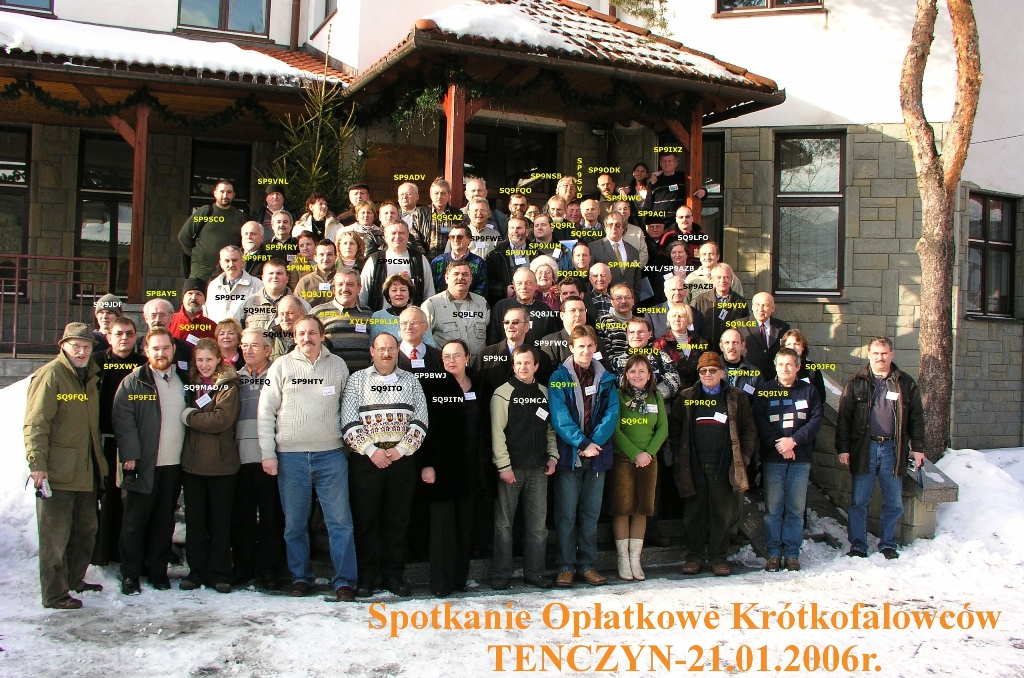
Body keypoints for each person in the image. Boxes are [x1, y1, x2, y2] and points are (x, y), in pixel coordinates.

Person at [259, 315, 357, 601]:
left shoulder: (337, 366)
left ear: (322, 335)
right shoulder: (281, 366)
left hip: (331, 456)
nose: (306, 338)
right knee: (295, 524)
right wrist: (268, 454)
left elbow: (348, 407)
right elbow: (265, 411)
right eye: (301, 333)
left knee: (340, 522)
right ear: (294, 337)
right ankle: (300, 577)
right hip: (291, 458)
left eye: (312, 333)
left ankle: (345, 581)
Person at [24, 322, 106, 609]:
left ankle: (74, 579)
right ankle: (54, 594)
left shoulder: (91, 375)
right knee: (55, 538)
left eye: (86, 347)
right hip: (57, 471)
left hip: (86, 469)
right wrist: (37, 464)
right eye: (76, 346)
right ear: (63, 346)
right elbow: (36, 424)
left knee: (85, 531)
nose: (82, 352)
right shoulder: (51, 375)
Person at [342, 332, 429, 598]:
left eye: (391, 348)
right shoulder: (357, 380)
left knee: (397, 520)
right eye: (381, 349)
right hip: (366, 461)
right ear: (372, 351)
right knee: (365, 520)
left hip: (401, 461)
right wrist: (372, 451)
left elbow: (421, 420)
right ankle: (367, 577)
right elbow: (348, 421)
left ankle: (394, 575)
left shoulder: (411, 380)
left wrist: (400, 450)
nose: (387, 353)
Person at [396, 308, 473, 596]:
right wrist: (427, 463)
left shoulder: (479, 382)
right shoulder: (432, 385)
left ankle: (460, 579)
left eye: (457, 356)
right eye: (446, 357)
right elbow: (426, 428)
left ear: (467, 358)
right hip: (441, 467)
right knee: (442, 529)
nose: (451, 361)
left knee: (464, 526)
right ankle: (442, 584)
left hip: (470, 467)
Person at [112, 327, 189, 595]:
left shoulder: (183, 380)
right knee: (134, 523)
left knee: (163, 522)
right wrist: (130, 455)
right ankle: (131, 574)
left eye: (166, 348)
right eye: (155, 348)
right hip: (143, 465)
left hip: (173, 465)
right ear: (146, 351)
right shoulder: (135, 382)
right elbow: (123, 420)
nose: (161, 353)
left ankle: (158, 571)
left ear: (173, 350)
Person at [835, 336, 926, 560]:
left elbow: (916, 418)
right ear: (869, 355)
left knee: (893, 502)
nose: (880, 358)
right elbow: (844, 419)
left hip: (893, 449)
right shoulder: (856, 382)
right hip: (864, 448)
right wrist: (843, 448)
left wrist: (918, 447)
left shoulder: (905, 383)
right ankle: (858, 546)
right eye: (875, 353)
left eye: (884, 353)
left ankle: (887, 544)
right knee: (859, 501)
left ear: (891, 354)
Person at [670, 351, 757, 577]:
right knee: (693, 513)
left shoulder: (736, 397)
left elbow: (748, 430)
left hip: (724, 465)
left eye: (712, 370)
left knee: (722, 513)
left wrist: (744, 458)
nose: (708, 374)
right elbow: (675, 430)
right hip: (694, 465)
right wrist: (679, 457)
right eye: (703, 371)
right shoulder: (686, 397)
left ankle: (718, 557)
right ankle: (694, 556)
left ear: (722, 372)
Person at [548, 325, 619, 587]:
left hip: (597, 455)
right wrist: (581, 442)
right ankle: (566, 566)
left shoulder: (606, 378)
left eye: (590, 346)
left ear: (595, 347)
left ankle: (588, 564)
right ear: (571, 348)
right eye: (581, 346)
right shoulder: (559, 377)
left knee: (591, 513)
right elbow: (559, 416)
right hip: (570, 455)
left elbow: (612, 413)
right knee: (566, 514)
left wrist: (594, 443)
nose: (586, 351)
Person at [489, 345, 558, 590]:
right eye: (518, 363)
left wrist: (553, 456)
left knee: (538, 527)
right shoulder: (502, 394)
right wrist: (503, 466)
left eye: (528, 363)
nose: (523, 367)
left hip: (539, 470)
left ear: (536, 366)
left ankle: (535, 573)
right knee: (503, 525)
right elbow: (497, 433)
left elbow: (550, 430)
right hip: (512, 469)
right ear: (513, 365)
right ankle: (501, 575)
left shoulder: (545, 393)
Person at [177, 338, 240, 593]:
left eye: (209, 360)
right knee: (195, 523)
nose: (204, 365)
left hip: (221, 465)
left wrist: (189, 417)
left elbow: (221, 420)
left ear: (218, 360)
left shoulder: (228, 385)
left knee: (220, 523)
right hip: (192, 465)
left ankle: (220, 573)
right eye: (200, 360)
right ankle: (196, 572)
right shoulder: (189, 384)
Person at [753, 348, 823, 572]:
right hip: (773, 458)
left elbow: (815, 420)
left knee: (795, 508)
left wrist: (793, 441)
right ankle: (773, 553)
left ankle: (792, 553)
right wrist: (779, 444)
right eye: (781, 364)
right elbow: (759, 419)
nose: (785, 369)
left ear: (797, 367)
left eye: (789, 364)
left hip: (800, 459)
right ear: (775, 366)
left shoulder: (809, 391)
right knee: (773, 509)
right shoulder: (764, 390)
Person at [232, 328, 285, 590]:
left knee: (271, 518)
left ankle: (269, 570)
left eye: (254, 345)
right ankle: (243, 567)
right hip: (240, 458)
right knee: (242, 517)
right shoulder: (233, 378)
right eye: (244, 345)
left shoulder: (278, 376)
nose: (248, 350)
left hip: (270, 457)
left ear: (268, 350)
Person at [90, 316, 144, 566]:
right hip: (102, 441)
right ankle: (101, 553)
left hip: (131, 443)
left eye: (129, 333)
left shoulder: (143, 365)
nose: (124, 338)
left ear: (136, 337)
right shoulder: (96, 362)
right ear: (108, 337)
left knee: (127, 501)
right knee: (104, 499)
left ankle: (124, 554)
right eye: (119, 334)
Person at [609, 355, 668, 581]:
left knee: (642, 508)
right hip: (624, 458)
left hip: (649, 460)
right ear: (626, 374)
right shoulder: (618, 396)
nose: (637, 375)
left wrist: (648, 453)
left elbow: (662, 428)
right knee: (623, 508)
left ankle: (636, 559)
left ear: (649, 375)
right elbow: (615, 430)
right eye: (632, 371)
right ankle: (623, 559)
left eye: (642, 371)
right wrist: (635, 454)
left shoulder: (656, 397)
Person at [475, 306, 552, 403]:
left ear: (527, 327)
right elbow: (476, 389)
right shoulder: (485, 355)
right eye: (507, 322)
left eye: (515, 322)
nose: (510, 326)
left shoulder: (542, 358)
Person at [178, 179, 246, 280]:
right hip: (201, 270)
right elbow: (184, 236)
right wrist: (195, 255)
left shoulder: (240, 217)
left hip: (227, 270)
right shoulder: (205, 212)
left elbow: (244, 244)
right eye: (222, 192)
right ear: (215, 193)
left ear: (233, 195)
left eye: (229, 192)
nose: (225, 195)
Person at [421, 261, 490, 359]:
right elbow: (424, 340)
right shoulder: (431, 305)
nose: (460, 277)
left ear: (471, 279)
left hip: (477, 366)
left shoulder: (482, 303)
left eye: (465, 274)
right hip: (447, 366)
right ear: (446, 278)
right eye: (456, 274)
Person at [359, 221, 435, 310]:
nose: (397, 236)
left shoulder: (419, 259)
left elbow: (429, 293)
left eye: (401, 233)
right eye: (393, 233)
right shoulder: (375, 260)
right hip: (380, 316)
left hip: (411, 317)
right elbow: (363, 293)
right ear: (385, 237)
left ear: (407, 236)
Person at [310, 270, 373, 371]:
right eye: (340, 284)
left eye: (350, 284)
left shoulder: (368, 313)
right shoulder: (318, 313)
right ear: (334, 289)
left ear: (359, 288)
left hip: (361, 376)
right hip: (330, 374)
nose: (345, 289)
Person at [612, 316, 681, 402]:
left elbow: (674, 379)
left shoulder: (661, 356)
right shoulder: (617, 361)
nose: (636, 336)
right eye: (632, 332)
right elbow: (620, 385)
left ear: (650, 334)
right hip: (628, 407)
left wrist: (652, 397)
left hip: (659, 405)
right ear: (627, 335)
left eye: (641, 332)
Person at [487, 267, 560, 346]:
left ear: (536, 285)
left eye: (528, 283)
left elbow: (552, 342)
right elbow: (492, 340)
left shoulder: (544, 309)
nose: (524, 287)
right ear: (514, 286)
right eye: (519, 283)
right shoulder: (501, 307)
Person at [239, 259, 309, 329]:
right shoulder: (247, 304)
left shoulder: (302, 305)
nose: (275, 276)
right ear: (262, 278)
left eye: (279, 273)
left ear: (287, 278)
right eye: (270, 273)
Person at [369, 274, 437, 347]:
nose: (399, 293)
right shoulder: (377, 316)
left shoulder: (419, 315)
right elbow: (372, 346)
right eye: (394, 290)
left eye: (403, 290)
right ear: (388, 294)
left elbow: (430, 345)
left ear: (409, 294)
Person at [692, 263, 748, 350]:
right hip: (707, 350)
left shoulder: (740, 301)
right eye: (718, 277)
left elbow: (745, 328)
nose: (722, 281)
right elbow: (694, 327)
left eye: (726, 277)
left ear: (731, 280)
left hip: (731, 350)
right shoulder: (701, 300)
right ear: (713, 280)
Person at [737, 292, 790, 383]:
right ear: (752, 307)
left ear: (773, 308)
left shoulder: (783, 327)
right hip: (750, 379)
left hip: (775, 379)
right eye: (757, 305)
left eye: (765, 305)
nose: (761, 309)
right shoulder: (739, 325)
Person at [653, 304, 709, 389]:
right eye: (673, 316)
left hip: (697, 392)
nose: (677, 319)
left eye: (681, 316)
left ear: (688, 320)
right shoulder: (659, 344)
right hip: (671, 393)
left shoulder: (700, 342)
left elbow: (706, 368)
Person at [205, 245, 264, 323]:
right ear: (221, 264)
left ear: (243, 261)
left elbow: (262, 316)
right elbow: (208, 315)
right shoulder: (213, 286)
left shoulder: (257, 285)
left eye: (234, 260)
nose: (231, 264)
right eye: (227, 261)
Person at [429, 223, 488, 297]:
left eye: (459, 237)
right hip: (441, 302)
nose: (455, 240)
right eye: (452, 237)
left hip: (470, 303)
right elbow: (430, 288)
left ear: (469, 240)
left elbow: (482, 290)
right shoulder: (437, 261)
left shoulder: (479, 262)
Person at [411, 177, 465, 258]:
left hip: (451, 259)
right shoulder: (420, 213)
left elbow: (462, 237)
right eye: (436, 193)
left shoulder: (457, 214)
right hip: (426, 260)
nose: (439, 196)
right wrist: (424, 259)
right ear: (430, 194)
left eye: (443, 193)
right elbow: (415, 238)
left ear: (449, 195)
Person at [136, 299, 193, 370]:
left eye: (162, 315)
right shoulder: (135, 346)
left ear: (171, 318)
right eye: (153, 315)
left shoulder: (184, 349)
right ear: (146, 318)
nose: (157, 320)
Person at [645, 275, 705, 342]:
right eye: (673, 289)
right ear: (665, 292)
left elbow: (701, 341)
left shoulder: (696, 314)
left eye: (680, 289)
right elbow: (648, 341)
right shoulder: (652, 314)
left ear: (686, 291)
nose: (677, 293)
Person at [782, 329, 827, 407]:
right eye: (789, 344)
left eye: (796, 344)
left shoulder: (812, 368)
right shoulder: (776, 368)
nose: (792, 347)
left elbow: (821, 397)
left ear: (803, 347)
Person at [594, 283, 634, 367]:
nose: (623, 301)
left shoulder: (641, 323)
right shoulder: (603, 321)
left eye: (627, 297)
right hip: (614, 369)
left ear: (633, 300)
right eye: (618, 298)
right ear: (611, 302)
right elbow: (604, 352)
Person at [539, 297, 587, 368]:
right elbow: (550, 371)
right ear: (562, 315)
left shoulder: (598, 341)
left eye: (581, 310)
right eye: (572, 310)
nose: (578, 314)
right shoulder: (549, 342)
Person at [719, 328, 764, 398]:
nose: (731, 347)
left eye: (735, 342)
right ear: (721, 347)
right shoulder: (710, 370)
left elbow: (760, 401)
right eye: (727, 343)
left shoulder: (755, 374)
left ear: (742, 346)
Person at [268, 295, 308, 360]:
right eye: (281, 314)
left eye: (289, 313)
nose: (285, 319)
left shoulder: (311, 338)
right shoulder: (270, 339)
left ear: (301, 313)